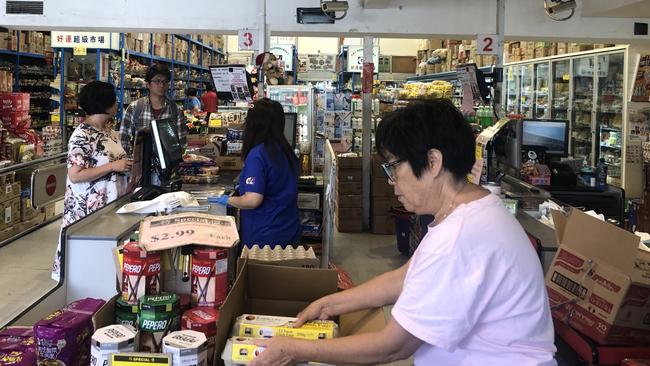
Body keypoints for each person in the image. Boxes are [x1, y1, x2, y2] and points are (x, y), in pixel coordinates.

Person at [249, 100, 557, 366]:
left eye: (394, 167)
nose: (391, 181)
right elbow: (405, 277)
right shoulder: (471, 210)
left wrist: (292, 349)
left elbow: (393, 345)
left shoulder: (459, 237)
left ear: (433, 162)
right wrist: (329, 304)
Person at [52, 81, 132, 281]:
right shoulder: (81, 136)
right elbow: (75, 175)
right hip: (87, 212)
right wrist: (113, 166)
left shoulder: (109, 130)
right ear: (102, 103)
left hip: (109, 206)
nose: (117, 103)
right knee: (86, 266)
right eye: (113, 99)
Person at [214, 98, 301, 248]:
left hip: (265, 238)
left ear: (254, 124)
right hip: (289, 231)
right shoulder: (285, 150)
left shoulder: (258, 155)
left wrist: (225, 200)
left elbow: (252, 200)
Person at [119, 64, 187, 184]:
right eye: (157, 81)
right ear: (148, 84)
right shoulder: (135, 108)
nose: (161, 85)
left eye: (165, 82)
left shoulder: (175, 110)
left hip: (166, 175)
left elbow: (181, 144)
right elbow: (123, 141)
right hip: (140, 175)